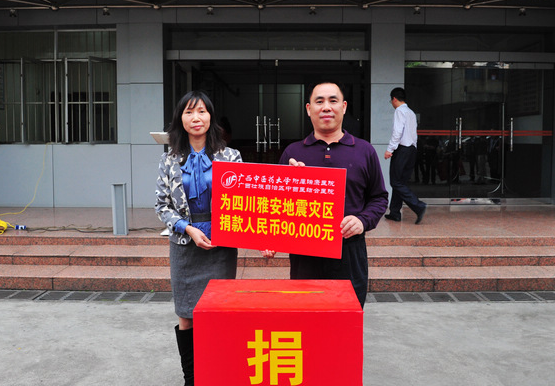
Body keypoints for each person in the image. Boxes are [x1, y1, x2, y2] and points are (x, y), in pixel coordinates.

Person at [262, 81, 388, 308]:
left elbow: (379, 198)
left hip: (349, 251)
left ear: (344, 107)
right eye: (319, 101)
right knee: (305, 316)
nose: (326, 107)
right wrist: (271, 238)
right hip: (305, 254)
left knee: (346, 318)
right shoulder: (293, 152)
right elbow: (274, 203)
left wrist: (362, 220)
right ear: (309, 109)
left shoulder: (364, 150)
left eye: (333, 101)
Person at [155, 90, 242, 386]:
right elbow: (162, 206)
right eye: (189, 111)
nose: (196, 117)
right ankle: (191, 379)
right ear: (180, 118)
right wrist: (187, 228)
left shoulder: (231, 156)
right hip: (184, 247)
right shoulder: (169, 160)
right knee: (187, 315)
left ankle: (217, 374)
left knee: (219, 313)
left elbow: (245, 201)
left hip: (221, 247)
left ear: (210, 117)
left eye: (202, 111)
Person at [384, 87, 427, 224]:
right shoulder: (411, 112)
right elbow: (414, 134)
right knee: (400, 182)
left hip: (402, 150)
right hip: (411, 149)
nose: (392, 103)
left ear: (394, 99)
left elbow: (397, 132)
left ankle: (418, 206)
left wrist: (390, 149)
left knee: (395, 182)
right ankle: (395, 212)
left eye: (391, 100)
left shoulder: (399, 111)